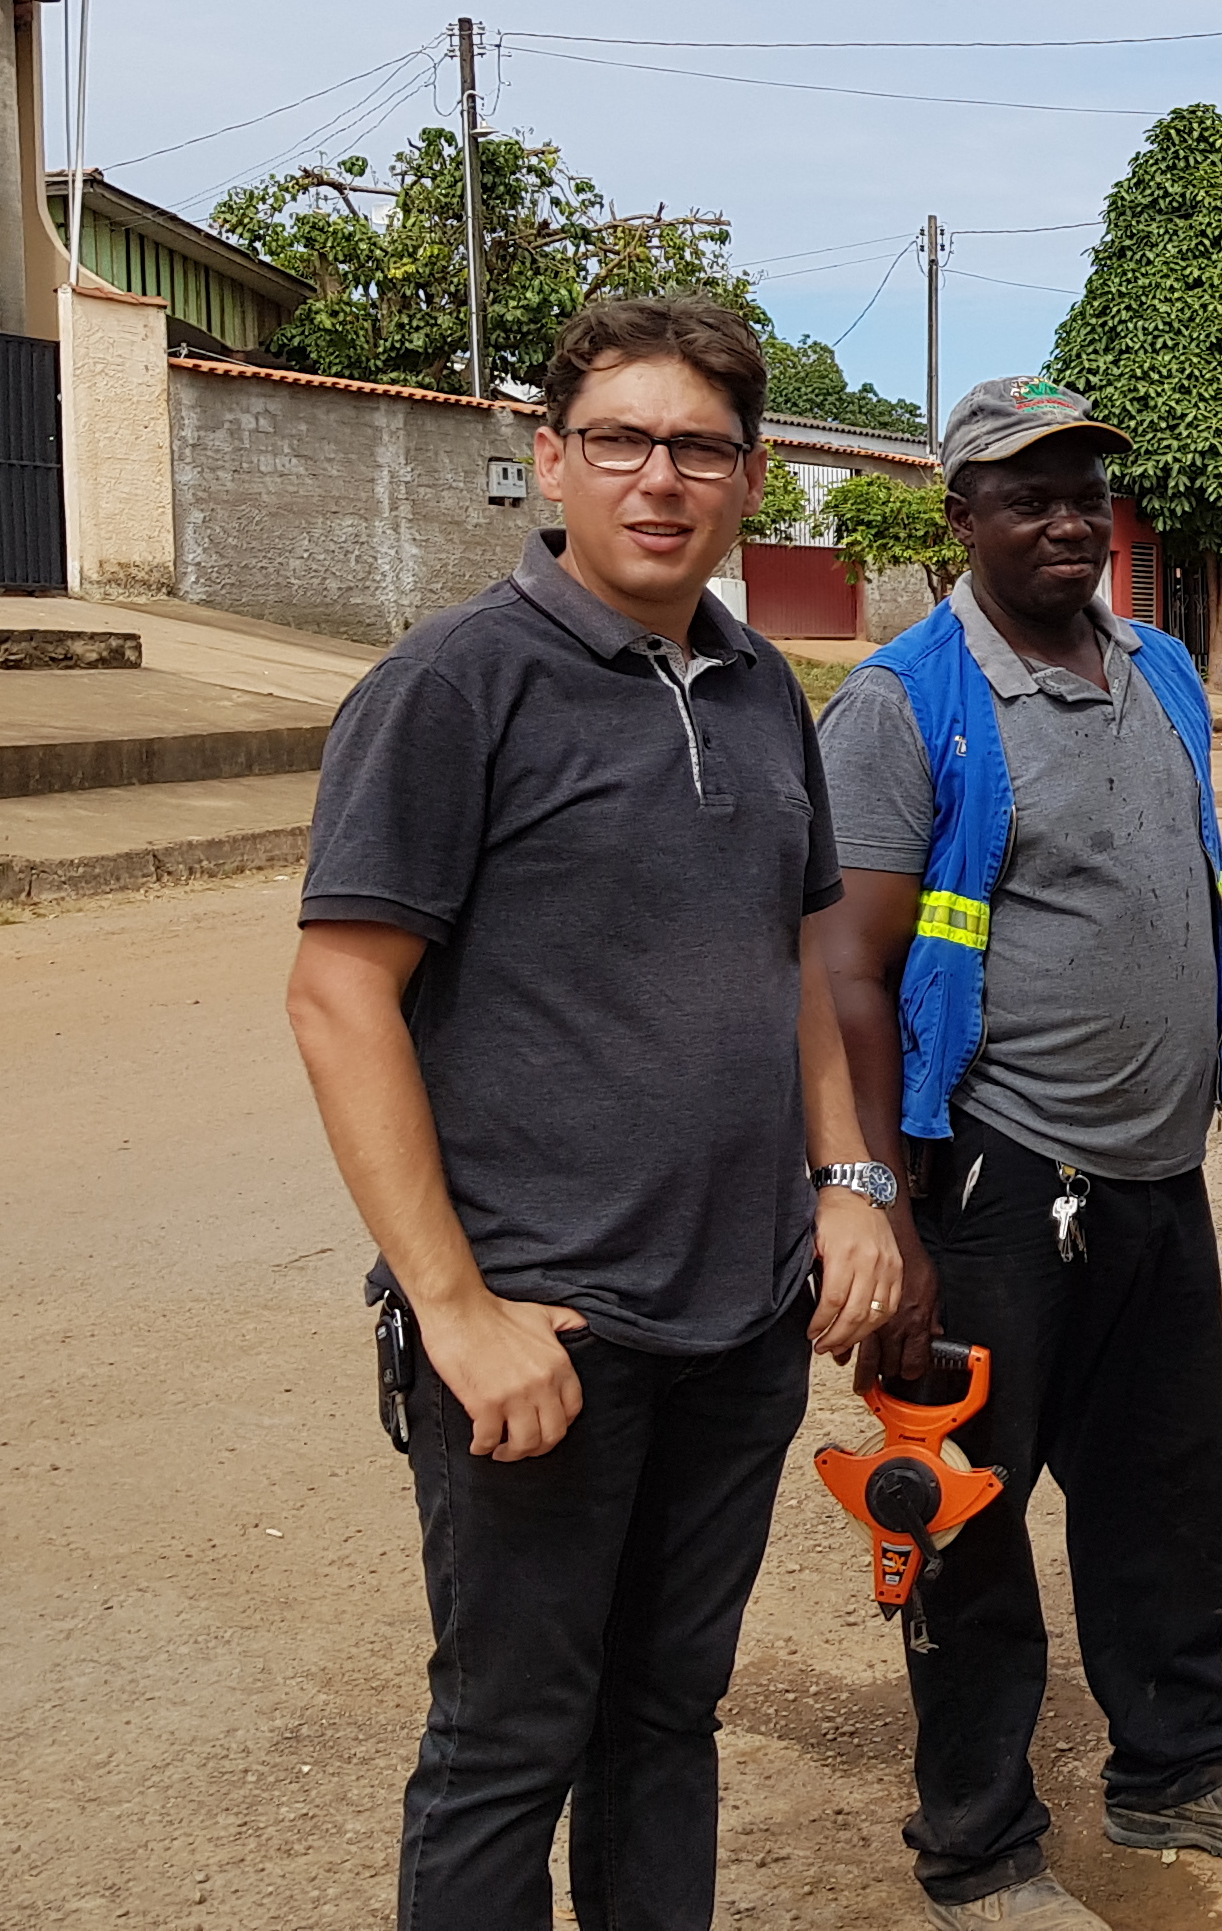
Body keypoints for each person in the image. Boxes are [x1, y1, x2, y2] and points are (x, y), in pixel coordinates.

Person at [285, 295, 908, 1931]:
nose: (660, 478)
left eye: (699, 446)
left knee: (665, 1721)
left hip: (739, 1322)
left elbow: (791, 962)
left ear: (750, 478)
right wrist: (456, 1307)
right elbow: (338, 995)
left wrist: (845, 1181)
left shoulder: (766, 685)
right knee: (508, 1742)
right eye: (620, 440)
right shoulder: (453, 687)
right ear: (549, 460)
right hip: (543, 1331)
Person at [810, 377, 1222, 1931]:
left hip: (1153, 1177)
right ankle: (979, 1851)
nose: (1064, 520)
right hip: (985, 1182)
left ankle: (1174, 1769)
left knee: (1169, 1493)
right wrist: (881, 1213)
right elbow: (849, 974)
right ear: (960, 518)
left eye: (1084, 492)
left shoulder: (1161, 671)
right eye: (1025, 493)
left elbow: (1212, 918)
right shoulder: (906, 705)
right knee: (960, 1513)